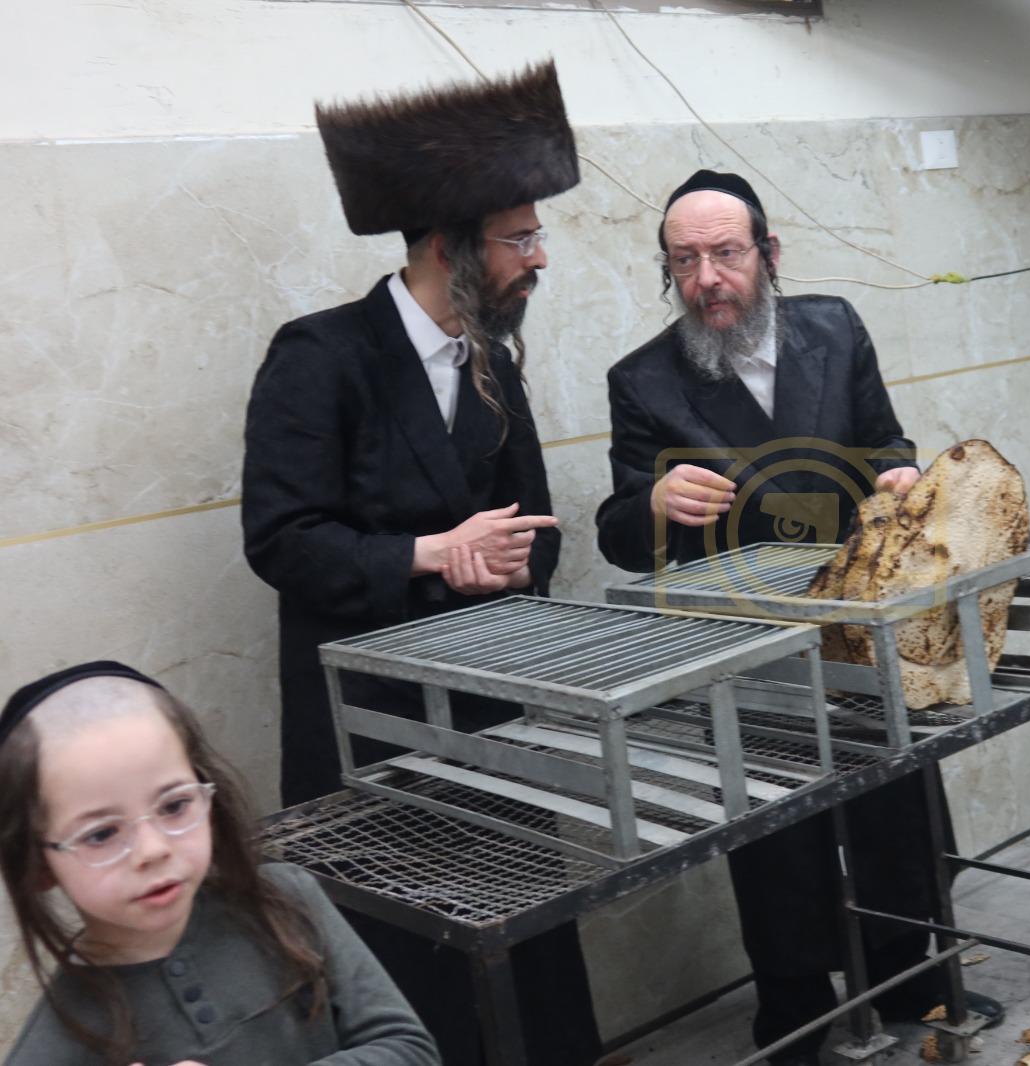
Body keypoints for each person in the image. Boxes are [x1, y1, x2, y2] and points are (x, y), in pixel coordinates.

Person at [595, 170, 1003, 1066]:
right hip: (746, 642)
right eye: (684, 261)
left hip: (860, 616)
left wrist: (899, 474)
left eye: (725, 253)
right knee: (775, 830)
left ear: (768, 253)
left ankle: (913, 977)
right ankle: (792, 1008)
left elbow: (884, 439)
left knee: (894, 794)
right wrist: (654, 502)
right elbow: (619, 535)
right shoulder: (643, 381)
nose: (707, 278)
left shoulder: (834, 328)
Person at [241, 63, 600, 1066]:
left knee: (530, 966)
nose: (538, 257)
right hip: (368, 736)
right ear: (451, 248)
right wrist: (431, 555)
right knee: (415, 976)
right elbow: (280, 539)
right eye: (519, 238)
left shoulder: (492, 361)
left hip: (489, 717)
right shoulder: (319, 356)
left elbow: (539, 530)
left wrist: (509, 566)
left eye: (536, 235)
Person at [0, 661, 441, 1066]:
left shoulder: (287, 898)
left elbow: (410, 1050)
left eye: (174, 806)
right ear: (38, 864)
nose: (153, 849)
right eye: (100, 834)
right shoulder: (56, 1041)